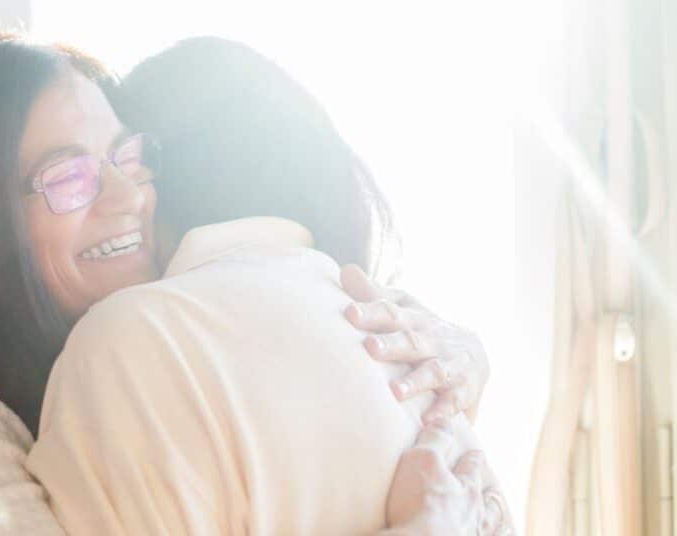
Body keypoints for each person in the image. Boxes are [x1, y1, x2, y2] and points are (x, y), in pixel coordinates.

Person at [0, 33, 499, 534]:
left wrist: (462, 356)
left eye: (128, 154)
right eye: (69, 176)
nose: (130, 196)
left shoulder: (107, 366)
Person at [25, 37, 504, 534]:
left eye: (128, 158)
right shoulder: (402, 348)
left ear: (164, 168)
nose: (121, 193)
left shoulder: (135, 340)